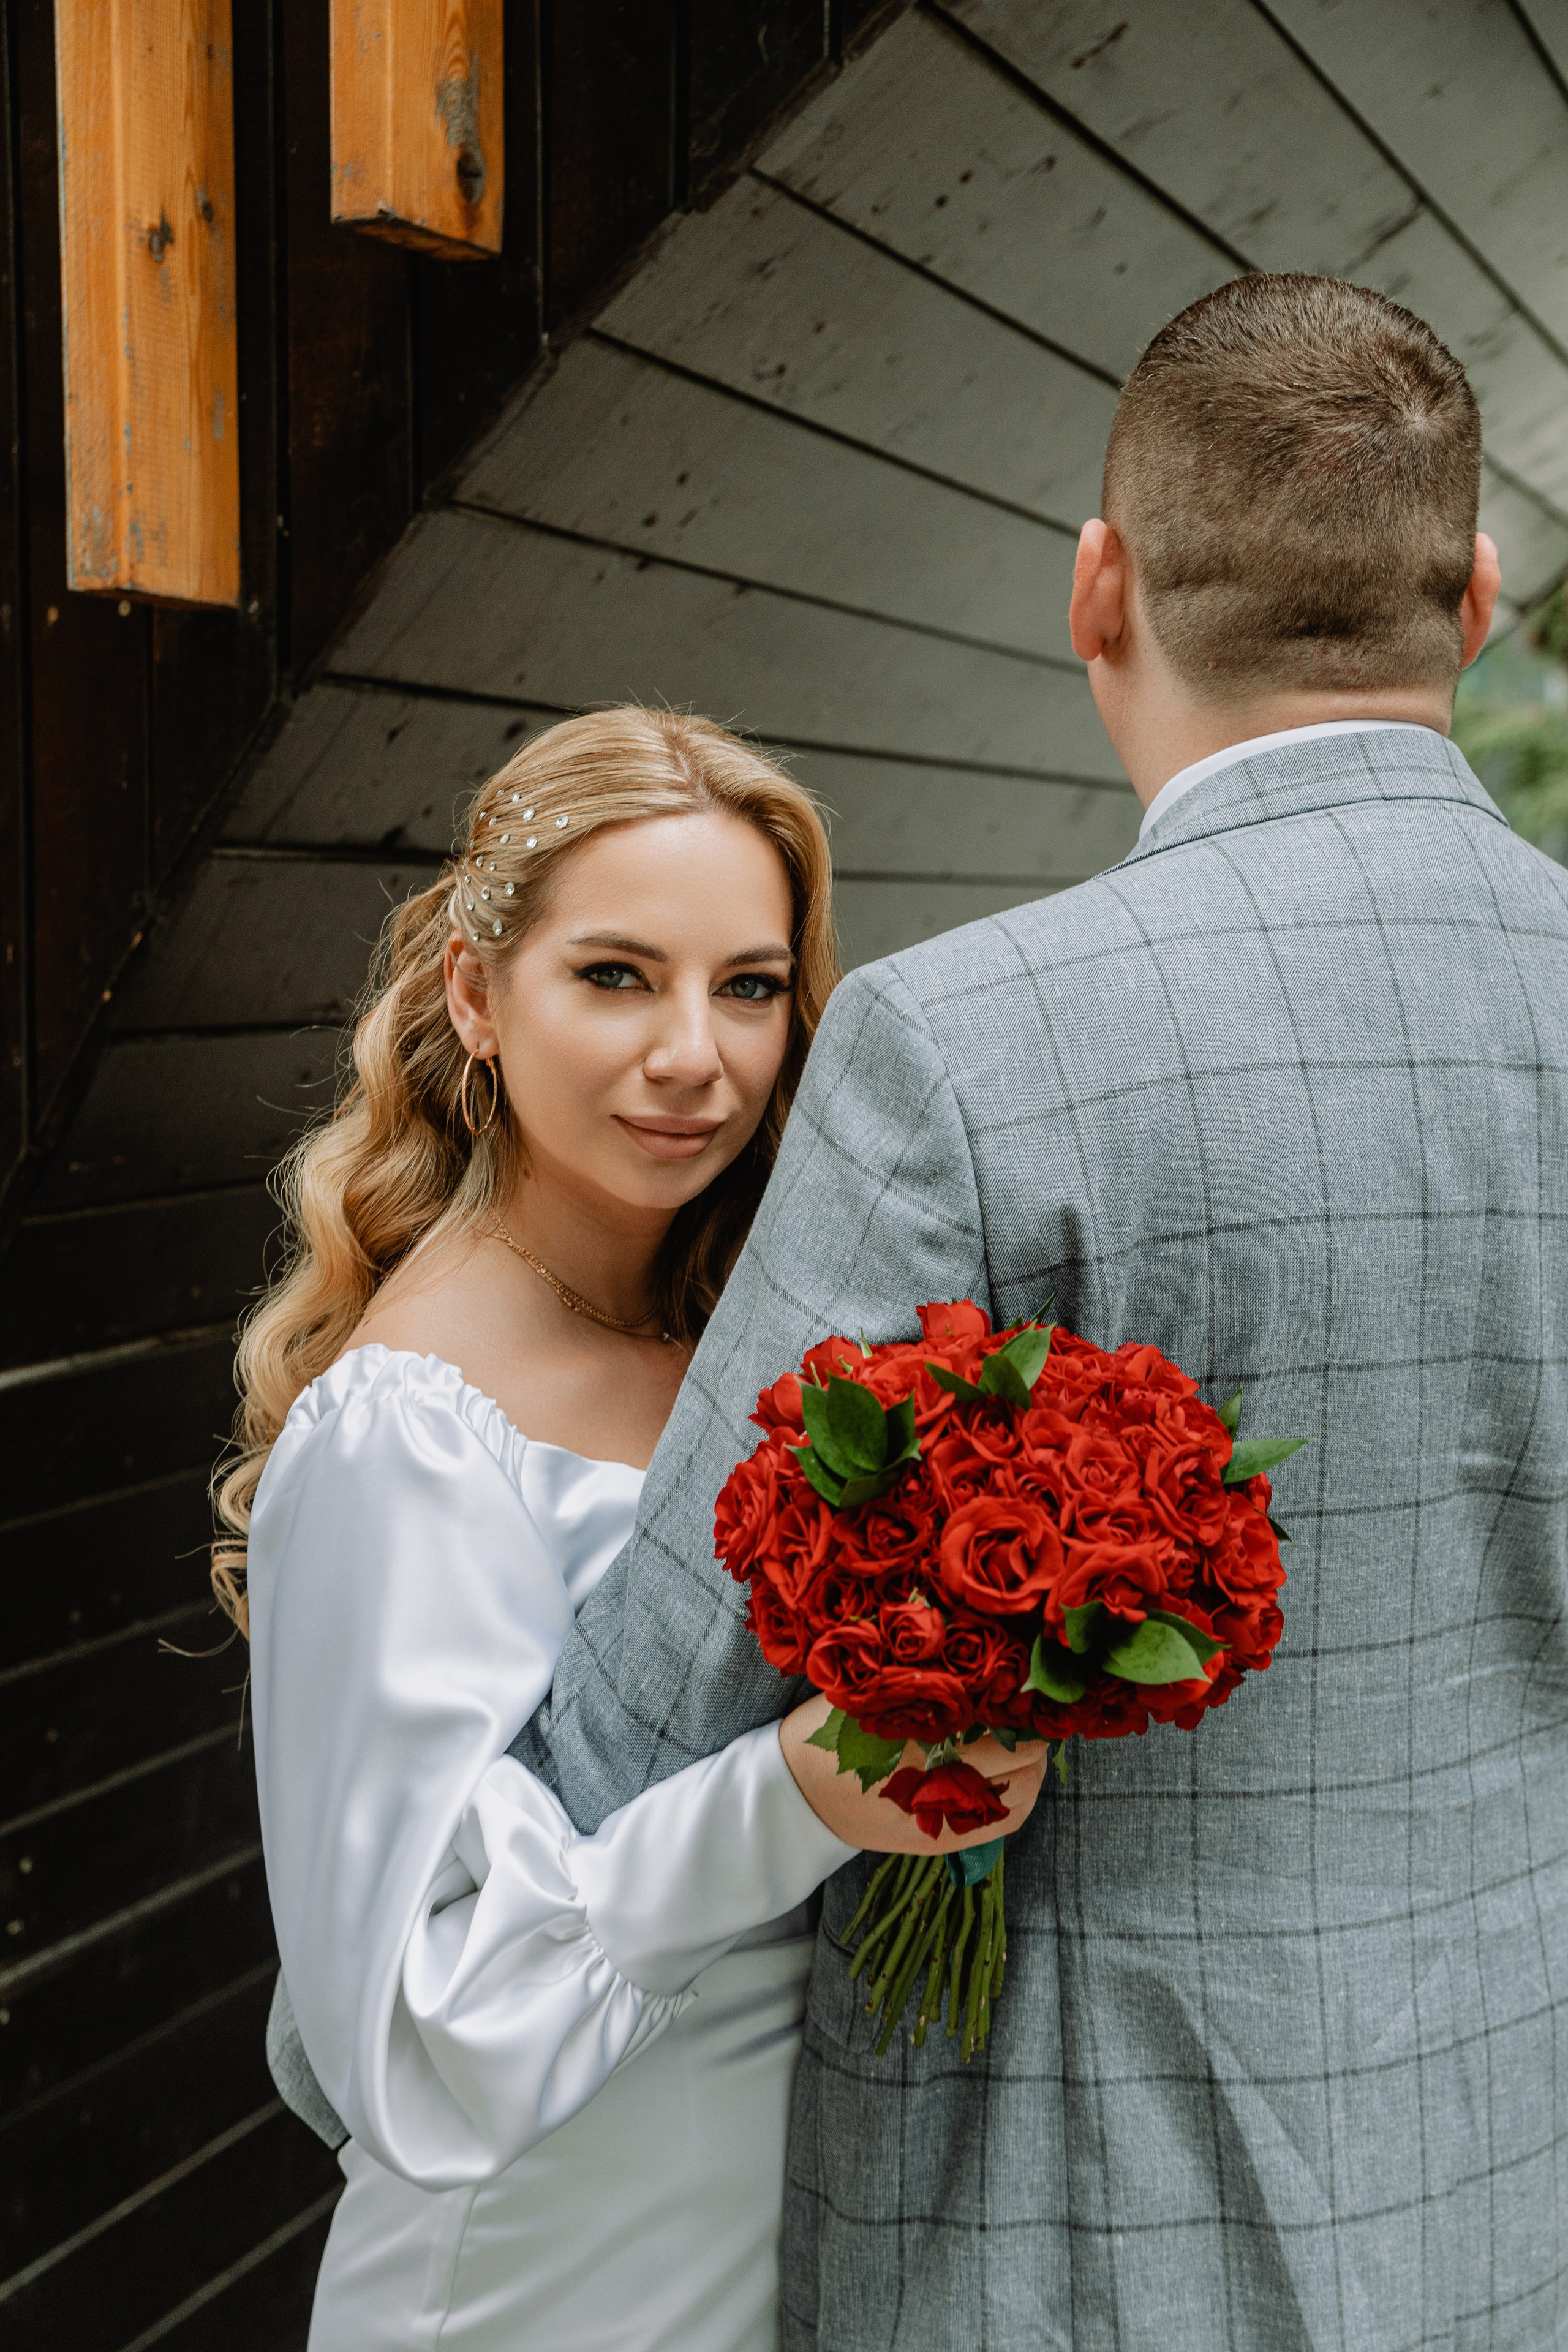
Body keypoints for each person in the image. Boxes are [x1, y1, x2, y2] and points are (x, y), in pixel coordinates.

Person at [510, 277, 1568, 2348]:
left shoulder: (967, 1041)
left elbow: (664, 1701)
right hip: (1515, 2143)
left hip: (1072, 2218)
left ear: (1098, 590)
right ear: (1479, 589)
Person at [216, 706, 1045, 2352]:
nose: (698, 1057)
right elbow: (420, 2018)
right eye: (616, 976)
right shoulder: (409, 1426)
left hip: (760, 2256)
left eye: (747, 985)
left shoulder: (737, 1333)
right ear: (474, 991)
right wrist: (798, 1795)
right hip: (533, 2281)